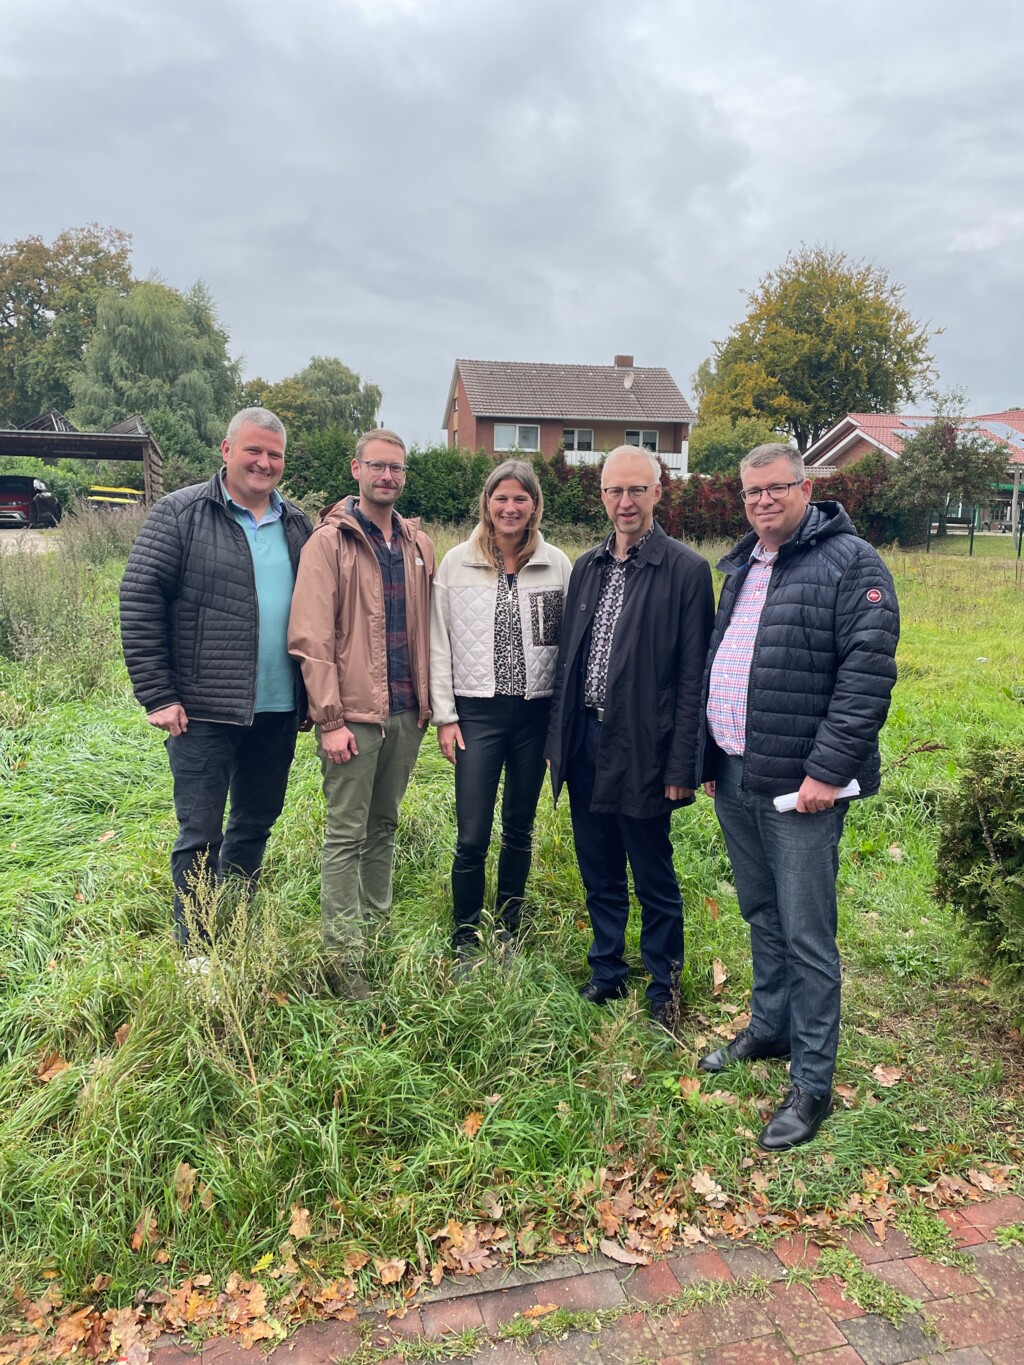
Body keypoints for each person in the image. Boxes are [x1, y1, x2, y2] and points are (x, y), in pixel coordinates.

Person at [695, 443, 899, 1150]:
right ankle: (771, 1026)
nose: (763, 501)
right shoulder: (743, 565)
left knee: (808, 934)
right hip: (736, 773)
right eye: (752, 491)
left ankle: (813, 1082)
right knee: (762, 912)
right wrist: (709, 757)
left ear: (805, 489)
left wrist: (826, 772)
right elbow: (723, 660)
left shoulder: (851, 563)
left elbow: (867, 675)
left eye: (776, 488)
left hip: (800, 787)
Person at [119, 407, 312, 953]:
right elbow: (139, 599)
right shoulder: (181, 513)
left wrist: (312, 698)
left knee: (254, 823)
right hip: (202, 709)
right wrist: (158, 694)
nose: (264, 462)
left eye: (274, 454)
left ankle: (236, 920)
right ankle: (198, 949)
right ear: (226, 451)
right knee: (200, 833)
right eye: (253, 450)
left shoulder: (297, 525)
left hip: (277, 707)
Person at [545, 446, 714, 1027]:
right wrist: (559, 745)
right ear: (602, 495)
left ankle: (664, 984)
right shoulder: (587, 566)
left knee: (652, 871)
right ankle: (607, 970)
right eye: (615, 490)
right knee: (598, 865)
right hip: (585, 740)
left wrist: (682, 766)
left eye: (637, 489)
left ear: (658, 492)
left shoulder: (686, 571)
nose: (625, 501)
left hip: (645, 745)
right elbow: (569, 662)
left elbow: (693, 678)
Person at [288, 429, 434, 998]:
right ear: (356, 469)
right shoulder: (329, 543)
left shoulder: (418, 545)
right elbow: (311, 637)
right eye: (377, 466)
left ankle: (377, 934)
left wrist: (427, 705)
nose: (387, 476)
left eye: (396, 468)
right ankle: (344, 959)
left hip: (405, 713)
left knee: (384, 827)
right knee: (346, 834)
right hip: (351, 718)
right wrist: (329, 720)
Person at [430, 460, 572, 968]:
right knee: (471, 835)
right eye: (501, 498)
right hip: (477, 715)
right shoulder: (456, 564)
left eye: (520, 499)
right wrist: (446, 716)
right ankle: (466, 936)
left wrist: (560, 728)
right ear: (487, 504)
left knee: (518, 828)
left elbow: (568, 651)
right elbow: (439, 643)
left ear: (534, 505)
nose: (510, 508)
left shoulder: (557, 565)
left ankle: (508, 929)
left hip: (535, 716)